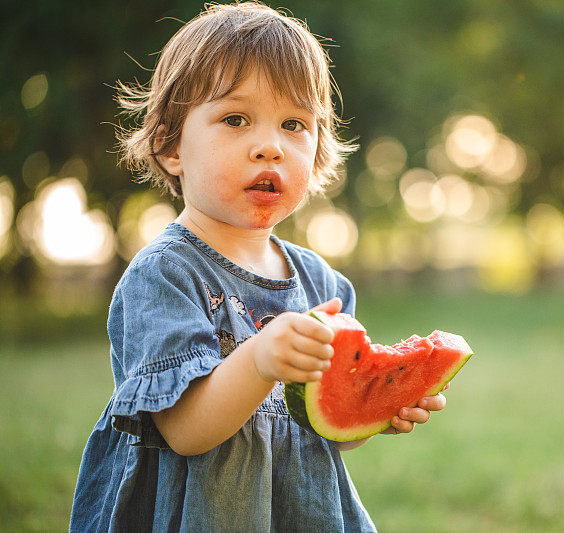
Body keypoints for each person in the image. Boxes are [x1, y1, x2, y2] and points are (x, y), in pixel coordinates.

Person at [69, 3, 447, 531]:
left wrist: (377, 411)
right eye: (236, 119)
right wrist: (259, 358)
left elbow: (319, 425)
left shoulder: (322, 284)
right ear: (170, 144)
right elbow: (185, 430)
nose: (269, 146)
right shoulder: (166, 275)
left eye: (294, 124)